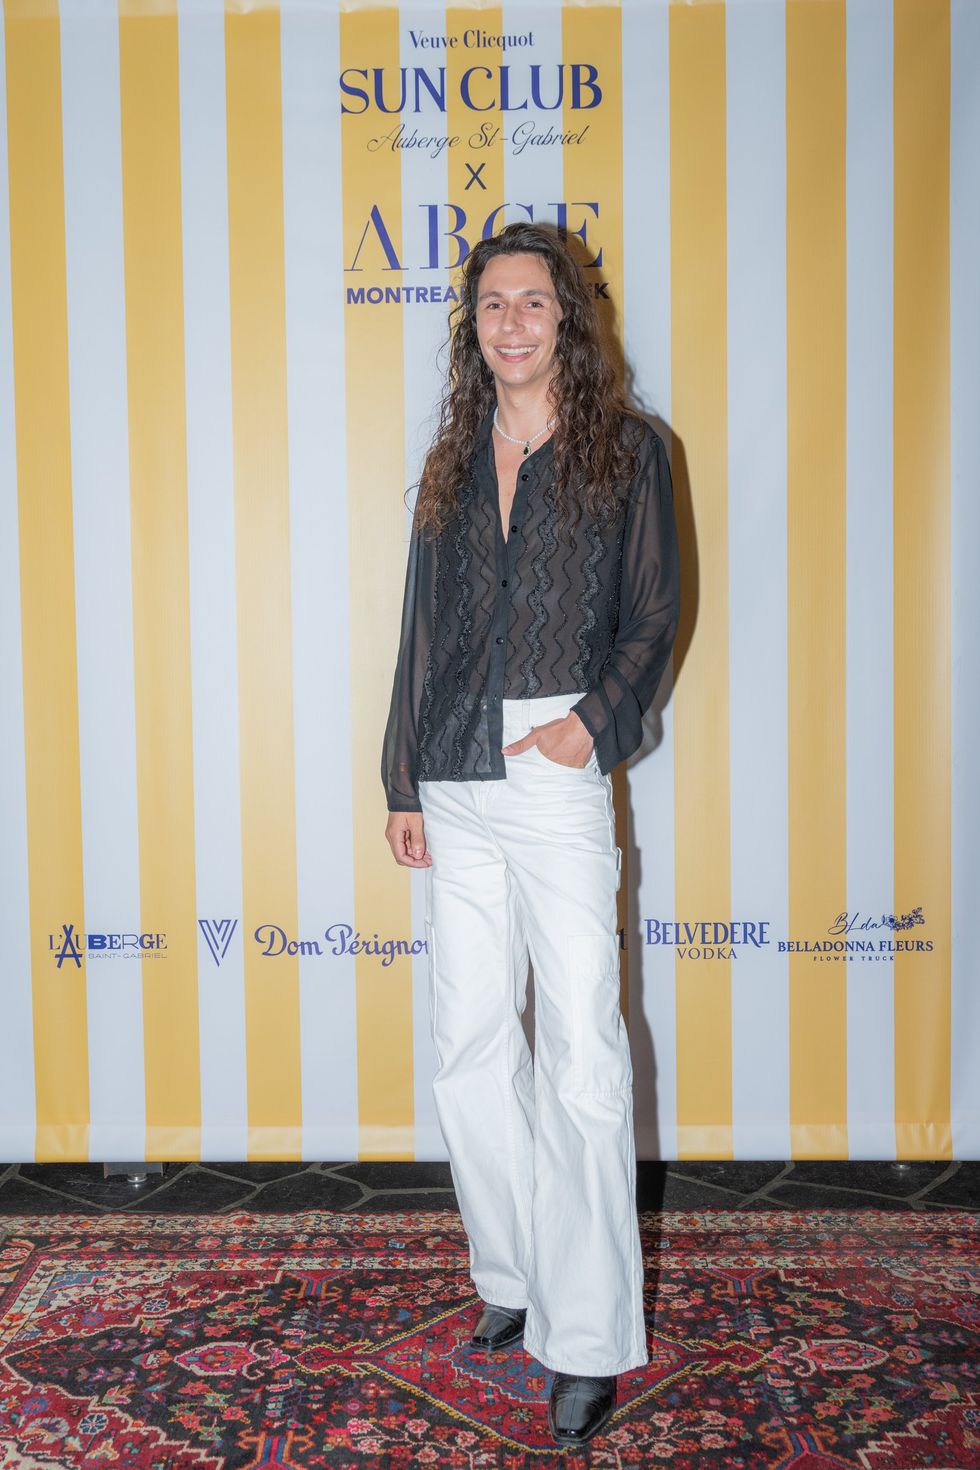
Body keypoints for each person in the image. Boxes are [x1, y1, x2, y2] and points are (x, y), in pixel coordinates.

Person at [381, 220, 680, 1447]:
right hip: (451, 771)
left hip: (553, 770)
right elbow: (419, 629)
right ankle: (511, 1274)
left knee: (582, 1058)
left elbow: (655, 616)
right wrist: (400, 779)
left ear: (569, 318)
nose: (509, 322)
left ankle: (590, 1333)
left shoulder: (630, 453)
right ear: (475, 327)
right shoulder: (455, 456)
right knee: (462, 1046)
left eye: (531, 303)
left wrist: (588, 726)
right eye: (490, 305)